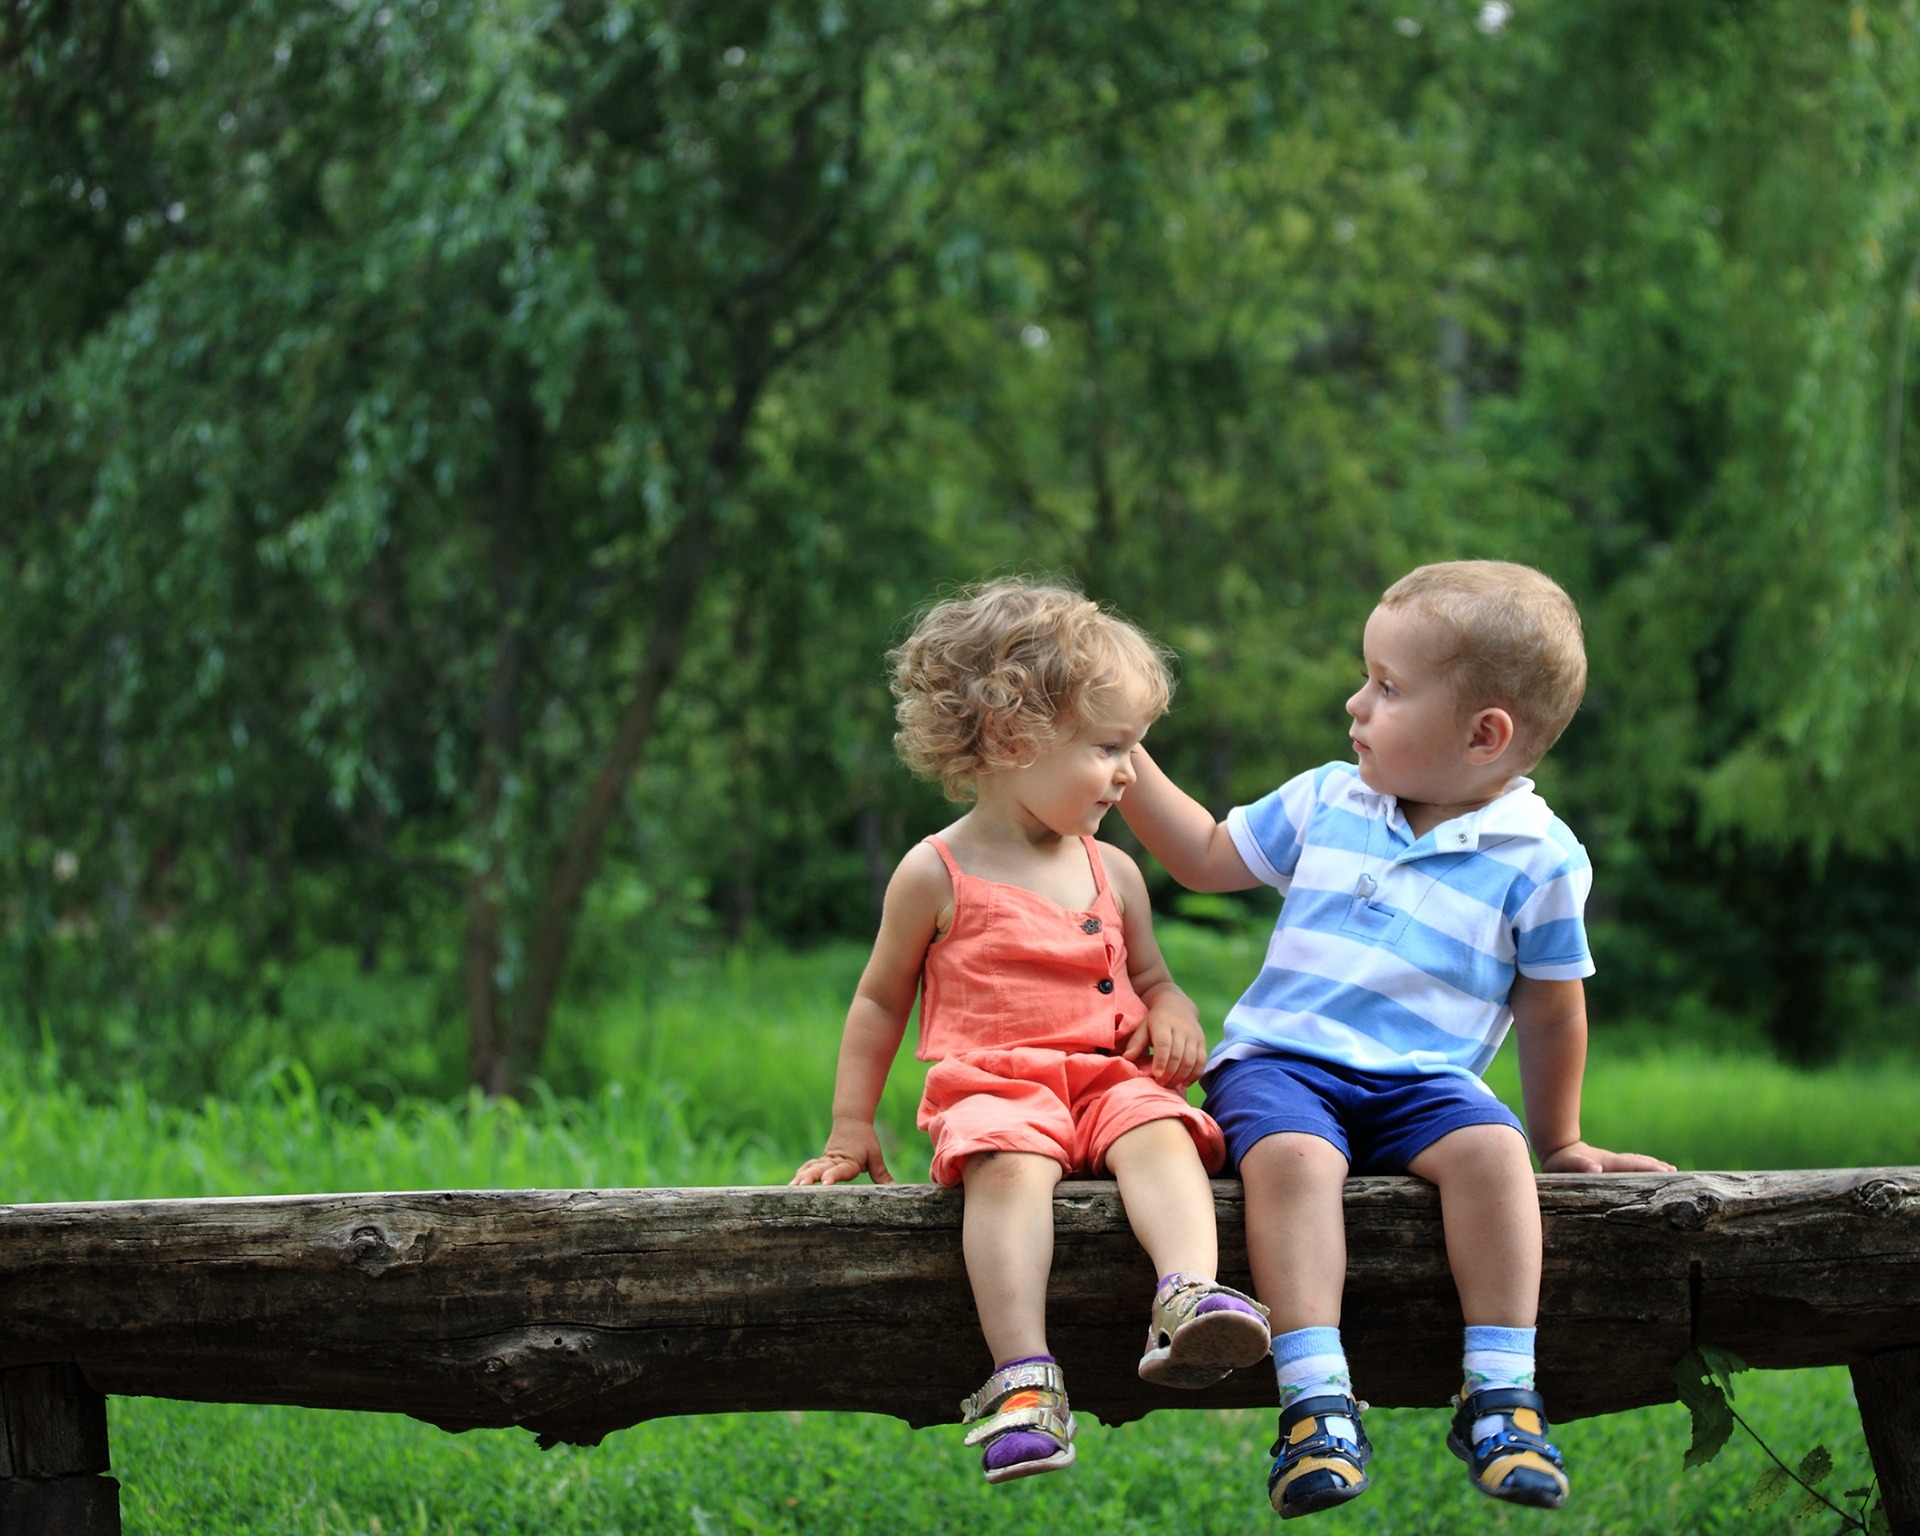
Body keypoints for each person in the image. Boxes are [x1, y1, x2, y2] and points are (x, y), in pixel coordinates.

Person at [1117, 560, 1674, 1517]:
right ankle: (1314, 1401)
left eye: (1387, 687)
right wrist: (1123, 755)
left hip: (1424, 1083)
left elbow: (1551, 1008)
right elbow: (1207, 856)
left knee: (1494, 1155)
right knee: (1291, 1161)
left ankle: (1501, 1394)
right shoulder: (1332, 799)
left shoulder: (1540, 858)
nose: (1356, 702)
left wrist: (1562, 1141)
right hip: (1284, 1065)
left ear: (1483, 734)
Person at [792, 578, 1271, 1484]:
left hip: (1106, 1079)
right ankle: (1022, 1376)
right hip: (999, 1086)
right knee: (1006, 1169)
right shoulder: (934, 871)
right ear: (1013, 739)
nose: (1130, 773)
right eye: (1109, 748)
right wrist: (851, 1126)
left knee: (1163, 1130)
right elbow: (879, 1002)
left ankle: (1187, 1294)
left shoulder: (1114, 869)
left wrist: (1172, 1013)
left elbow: (1156, 979)